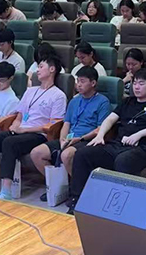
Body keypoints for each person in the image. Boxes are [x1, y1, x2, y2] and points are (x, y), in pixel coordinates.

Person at [65, 68, 146, 212]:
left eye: (141, 84)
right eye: (135, 83)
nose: (136, 87)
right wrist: (100, 135)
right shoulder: (127, 102)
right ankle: (77, 199)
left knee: (122, 161)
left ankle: (119, 205)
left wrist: (139, 134)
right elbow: (110, 119)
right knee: (82, 154)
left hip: (141, 148)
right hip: (117, 144)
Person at [0, 58, 67, 200]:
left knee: (9, 143)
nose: (37, 70)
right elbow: (20, 115)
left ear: (52, 69)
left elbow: (53, 124)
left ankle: (6, 191)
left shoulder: (58, 95)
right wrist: (16, 124)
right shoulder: (30, 91)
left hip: (38, 134)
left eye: (41, 67)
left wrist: (24, 130)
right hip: (20, 130)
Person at [31, 66, 113, 206]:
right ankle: (60, 187)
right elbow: (66, 124)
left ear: (93, 83)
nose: (78, 85)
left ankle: (80, 190)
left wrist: (80, 139)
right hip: (69, 139)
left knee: (66, 155)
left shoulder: (103, 102)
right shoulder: (74, 101)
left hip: (86, 139)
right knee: (37, 153)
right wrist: (62, 140)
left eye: (82, 81)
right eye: (77, 81)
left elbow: (100, 129)